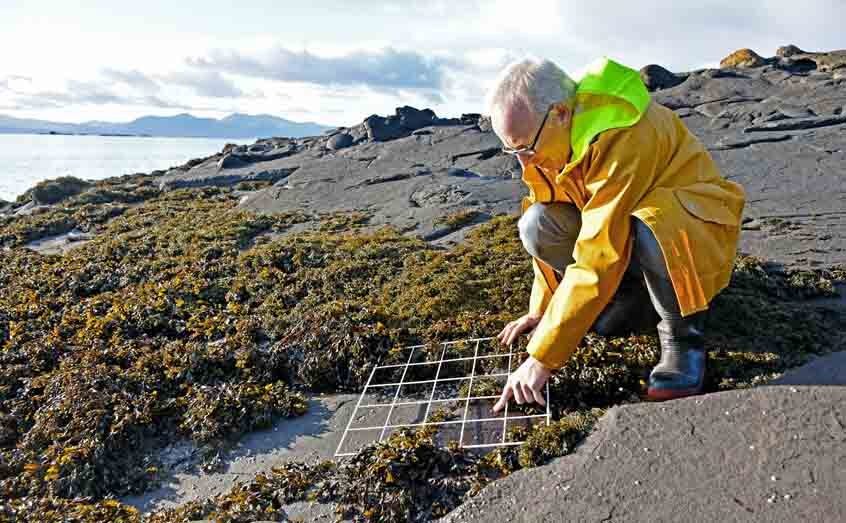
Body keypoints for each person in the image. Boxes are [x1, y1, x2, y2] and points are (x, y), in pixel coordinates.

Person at [488, 57, 746, 411]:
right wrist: (541, 310)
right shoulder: (546, 145)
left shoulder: (622, 135)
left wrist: (541, 360)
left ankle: (683, 340)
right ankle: (628, 295)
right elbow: (579, 234)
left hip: (694, 241)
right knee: (537, 223)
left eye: (526, 148)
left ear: (561, 113)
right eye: (513, 151)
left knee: (651, 224)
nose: (524, 163)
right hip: (631, 244)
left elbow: (600, 252)